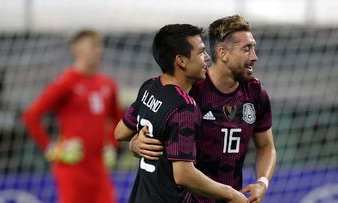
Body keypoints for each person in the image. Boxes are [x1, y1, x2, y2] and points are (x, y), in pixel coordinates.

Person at [131, 15, 277, 203]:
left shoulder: (256, 94)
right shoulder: (189, 90)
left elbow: (266, 146)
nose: (254, 57)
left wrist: (262, 182)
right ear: (223, 54)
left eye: (253, 48)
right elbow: (146, 124)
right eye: (246, 49)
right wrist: (135, 143)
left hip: (232, 198)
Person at [114, 24, 249, 203]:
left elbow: (120, 132)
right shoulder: (185, 108)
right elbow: (184, 175)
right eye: (201, 52)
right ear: (181, 61)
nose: (207, 57)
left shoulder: (150, 87)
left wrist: (134, 143)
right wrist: (230, 193)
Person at [23, 30, 121, 203]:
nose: (99, 50)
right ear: (77, 49)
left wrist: (112, 145)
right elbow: (31, 116)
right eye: (94, 45)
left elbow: (118, 119)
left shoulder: (108, 84)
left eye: (100, 45)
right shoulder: (66, 82)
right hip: (72, 167)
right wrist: (52, 148)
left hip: (99, 167)